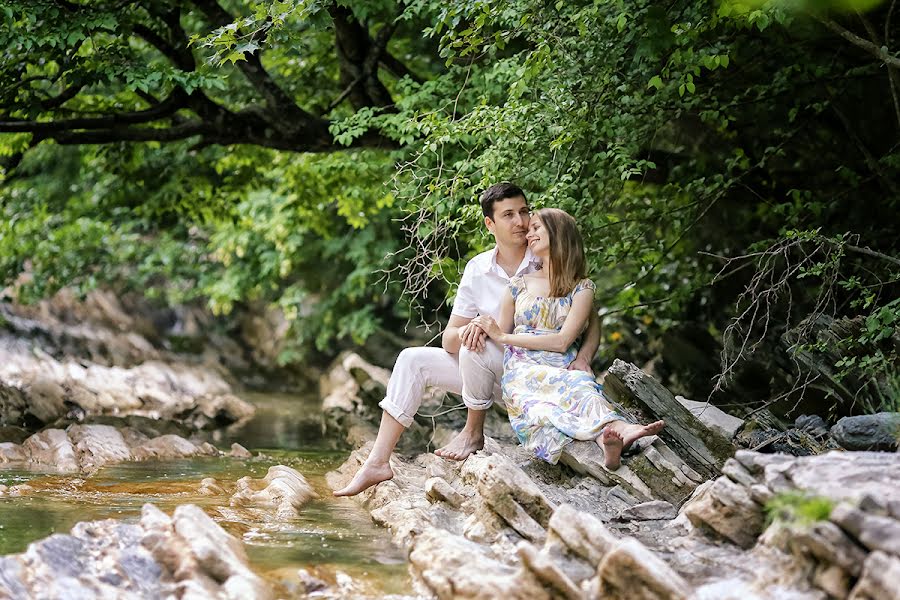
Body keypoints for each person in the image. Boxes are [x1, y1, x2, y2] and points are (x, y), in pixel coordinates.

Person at [333, 185, 601, 497]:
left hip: (536, 373)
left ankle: (473, 434)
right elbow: (449, 340)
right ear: (490, 224)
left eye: (525, 211)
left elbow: (590, 314)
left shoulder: (543, 251)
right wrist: (474, 328)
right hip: (488, 370)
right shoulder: (478, 269)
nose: (522, 221)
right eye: (509, 215)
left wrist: (584, 356)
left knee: (480, 345)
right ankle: (378, 462)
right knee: (412, 359)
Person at [472, 208, 664, 469]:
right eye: (530, 229)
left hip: (564, 360)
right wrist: (481, 327)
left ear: (559, 233)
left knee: (582, 387)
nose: (529, 233)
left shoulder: (582, 288)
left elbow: (564, 341)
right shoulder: (518, 285)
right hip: (524, 367)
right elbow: (499, 334)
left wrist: (584, 357)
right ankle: (614, 434)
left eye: (537, 227)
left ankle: (612, 441)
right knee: (546, 409)